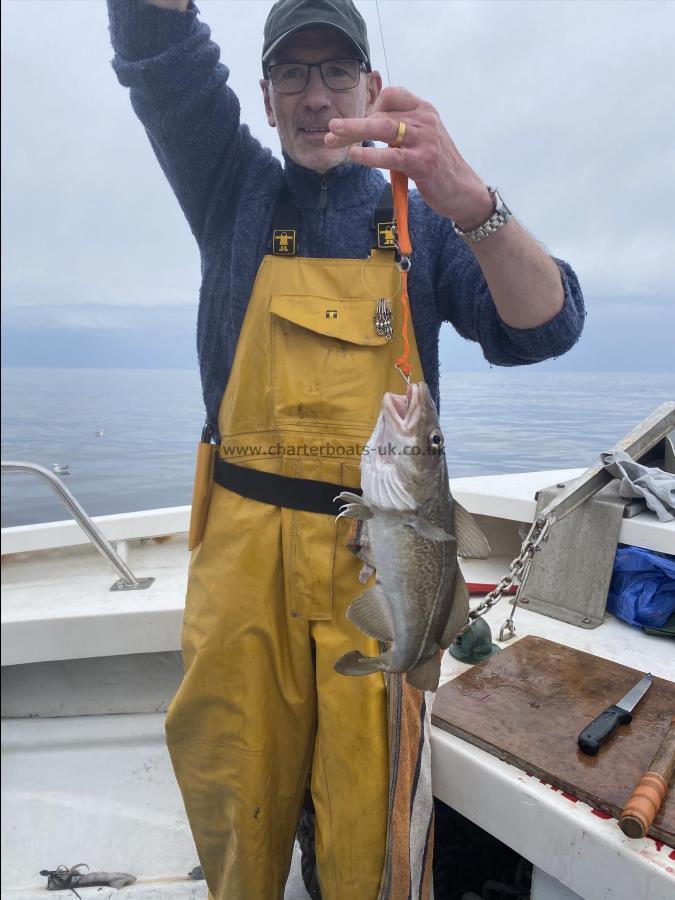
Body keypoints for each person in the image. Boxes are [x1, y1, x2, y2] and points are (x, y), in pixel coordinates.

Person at [106, 1, 585, 898]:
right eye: (293, 73)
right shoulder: (231, 188)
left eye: (337, 72)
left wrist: (470, 199)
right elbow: (155, 46)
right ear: (264, 94)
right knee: (236, 798)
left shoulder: (426, 224)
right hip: (242, 574)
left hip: (381, 570)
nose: (316, 96)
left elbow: (546, 327)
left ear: (372, 86)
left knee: (369, 835)